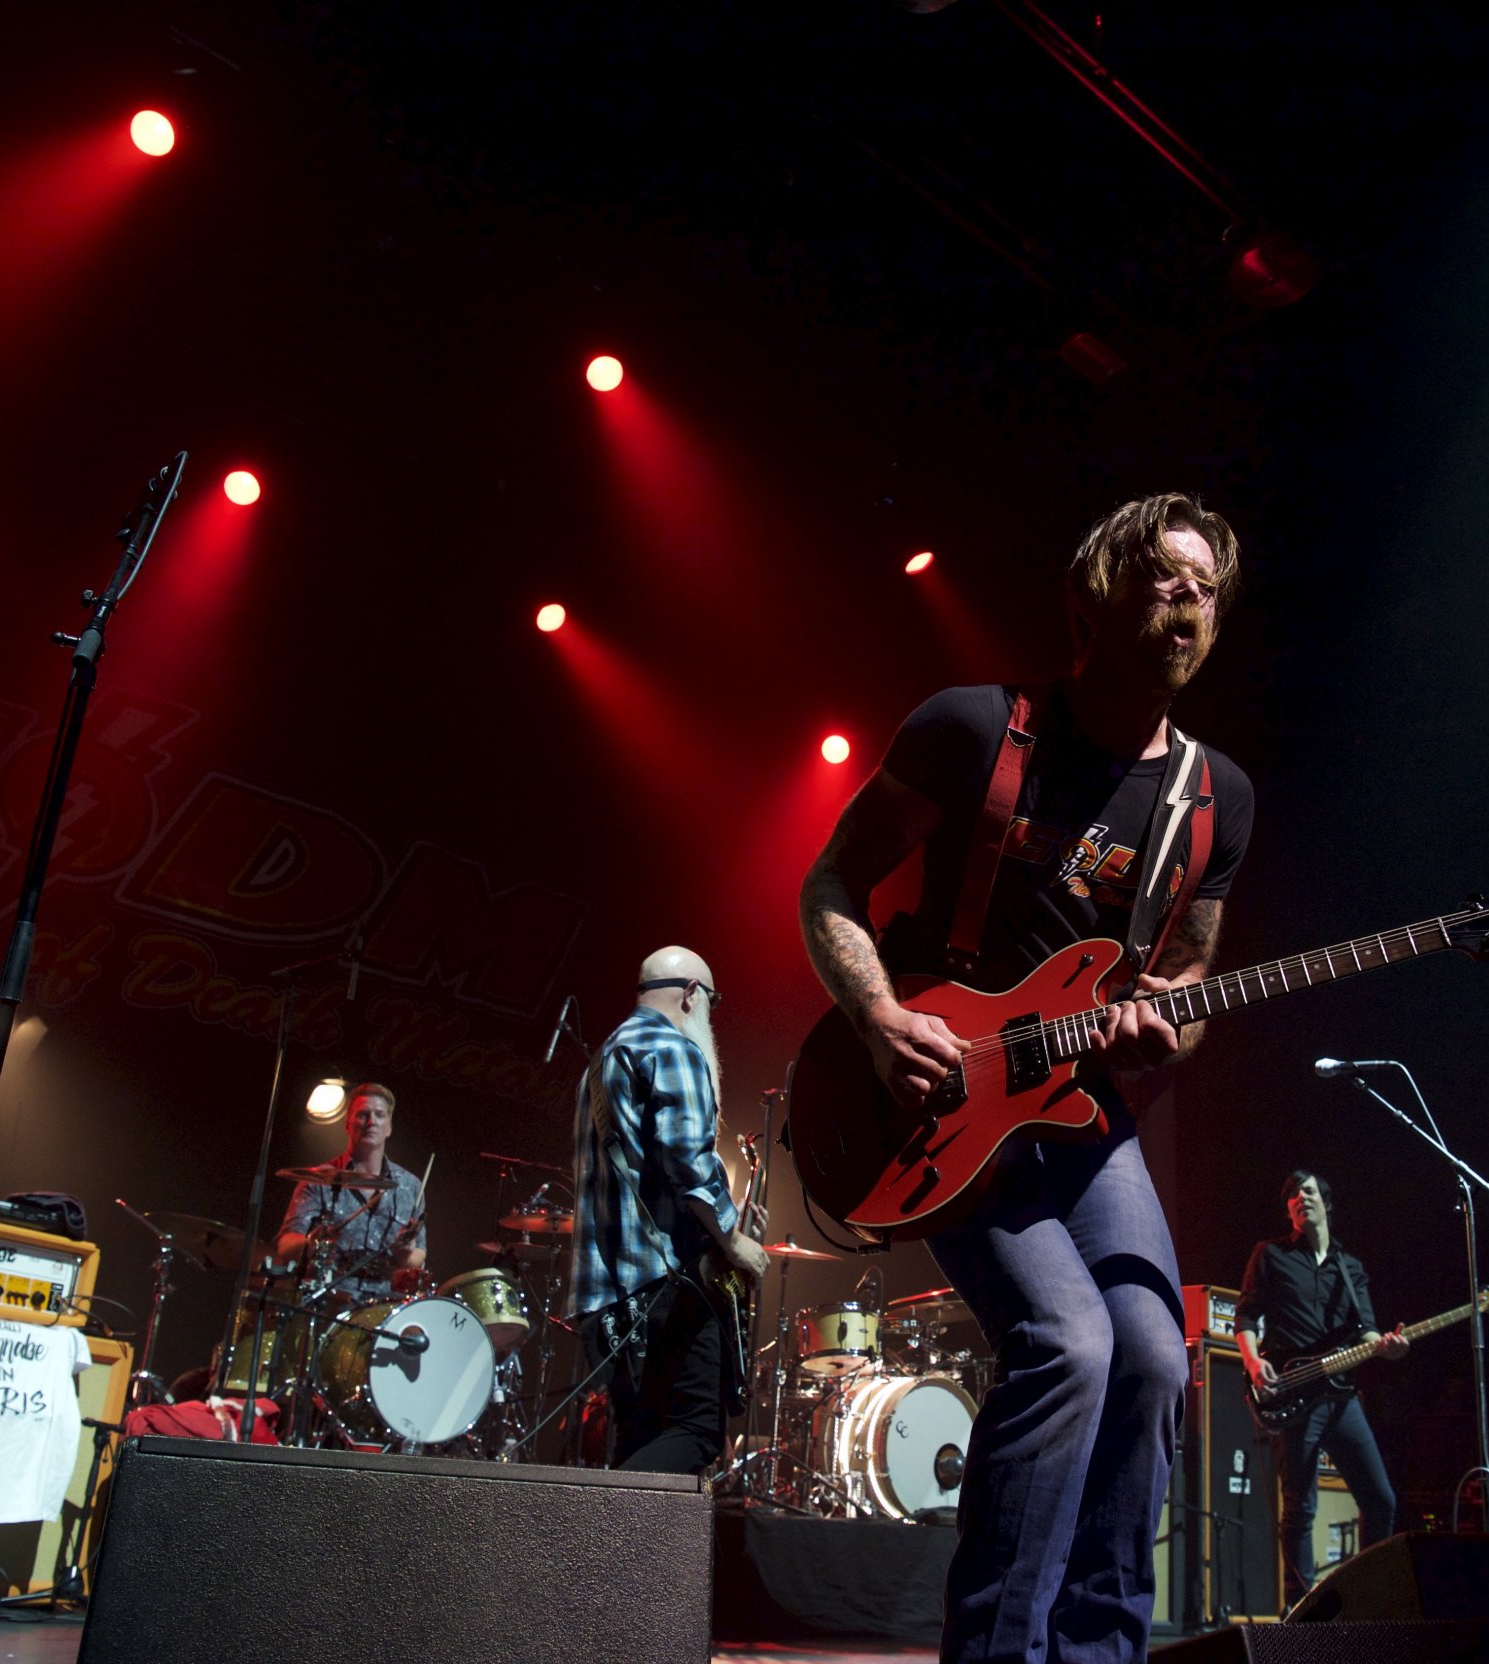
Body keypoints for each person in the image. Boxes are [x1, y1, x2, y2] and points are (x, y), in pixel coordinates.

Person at [799, 493, 1255, 1663]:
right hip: (939, 1095)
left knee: (1156, 1353)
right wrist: (877, 1015)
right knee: (1071, 1342)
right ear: (1096, 589)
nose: (1187, 601)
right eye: (1164, 575)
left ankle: (1101, 1652)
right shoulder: (972, 726)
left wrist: (1171, 1034)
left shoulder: (1216, 799)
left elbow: (1189, 976)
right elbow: (831, 885)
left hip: (1079, 1113)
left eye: (1206, 587)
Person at [564, 946, 768, 1475]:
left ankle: (614, 1556)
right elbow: (688, 1161)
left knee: (640, 1436)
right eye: (712, 1002)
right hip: (662, 1292)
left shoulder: (603, 1058)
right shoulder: (670, 1048)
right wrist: (732, 1239)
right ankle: (597, 1536)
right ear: (692, 995)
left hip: (607, 1297)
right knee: (698, 1433)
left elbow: (643, 1175)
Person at [1236, 1171, 1405, 1592]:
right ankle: (1301, 1612)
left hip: (1340, 1396)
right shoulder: (1270, 1255)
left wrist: (1387, 1345)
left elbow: (1366, 1331)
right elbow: (1246, 1315)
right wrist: (1255, 1363)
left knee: (1381, 1501)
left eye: (1307, 1191)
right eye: (1292, 1194)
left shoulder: (1350, 1268)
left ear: (1326, 1204)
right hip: (1291, 1393)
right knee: (1299, 1508)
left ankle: (1368, 1596)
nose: (1298, 1198)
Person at [276, 1082, 427, 1305]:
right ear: (347, 1123)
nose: (371, 1122)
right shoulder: (318, 1180)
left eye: (379, 1115)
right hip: (328, 1299)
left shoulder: (411, 1186)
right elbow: (285, 1245)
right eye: (362, 1115)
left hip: (384, 1306)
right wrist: (312, 1243)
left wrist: (405, 1253)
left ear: (389, 1127)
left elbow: (419, 1257)